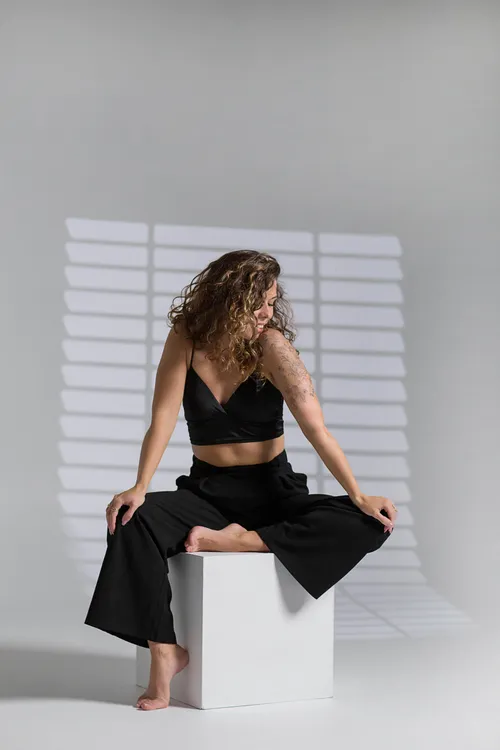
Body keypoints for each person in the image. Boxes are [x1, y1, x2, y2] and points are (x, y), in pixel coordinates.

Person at [84, 249, 397, 711]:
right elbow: (163, 419)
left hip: (273, 491)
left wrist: (357, 493)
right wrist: (140, 486)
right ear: (227, 300)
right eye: (258, 303)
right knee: (133, 520)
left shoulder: (272, 347)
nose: (267, 312)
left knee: (369, 521)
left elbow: (317, 429)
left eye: (271, 302)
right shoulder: (186, 337)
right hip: (207, 491)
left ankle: (243, 541)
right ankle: (164, 651)